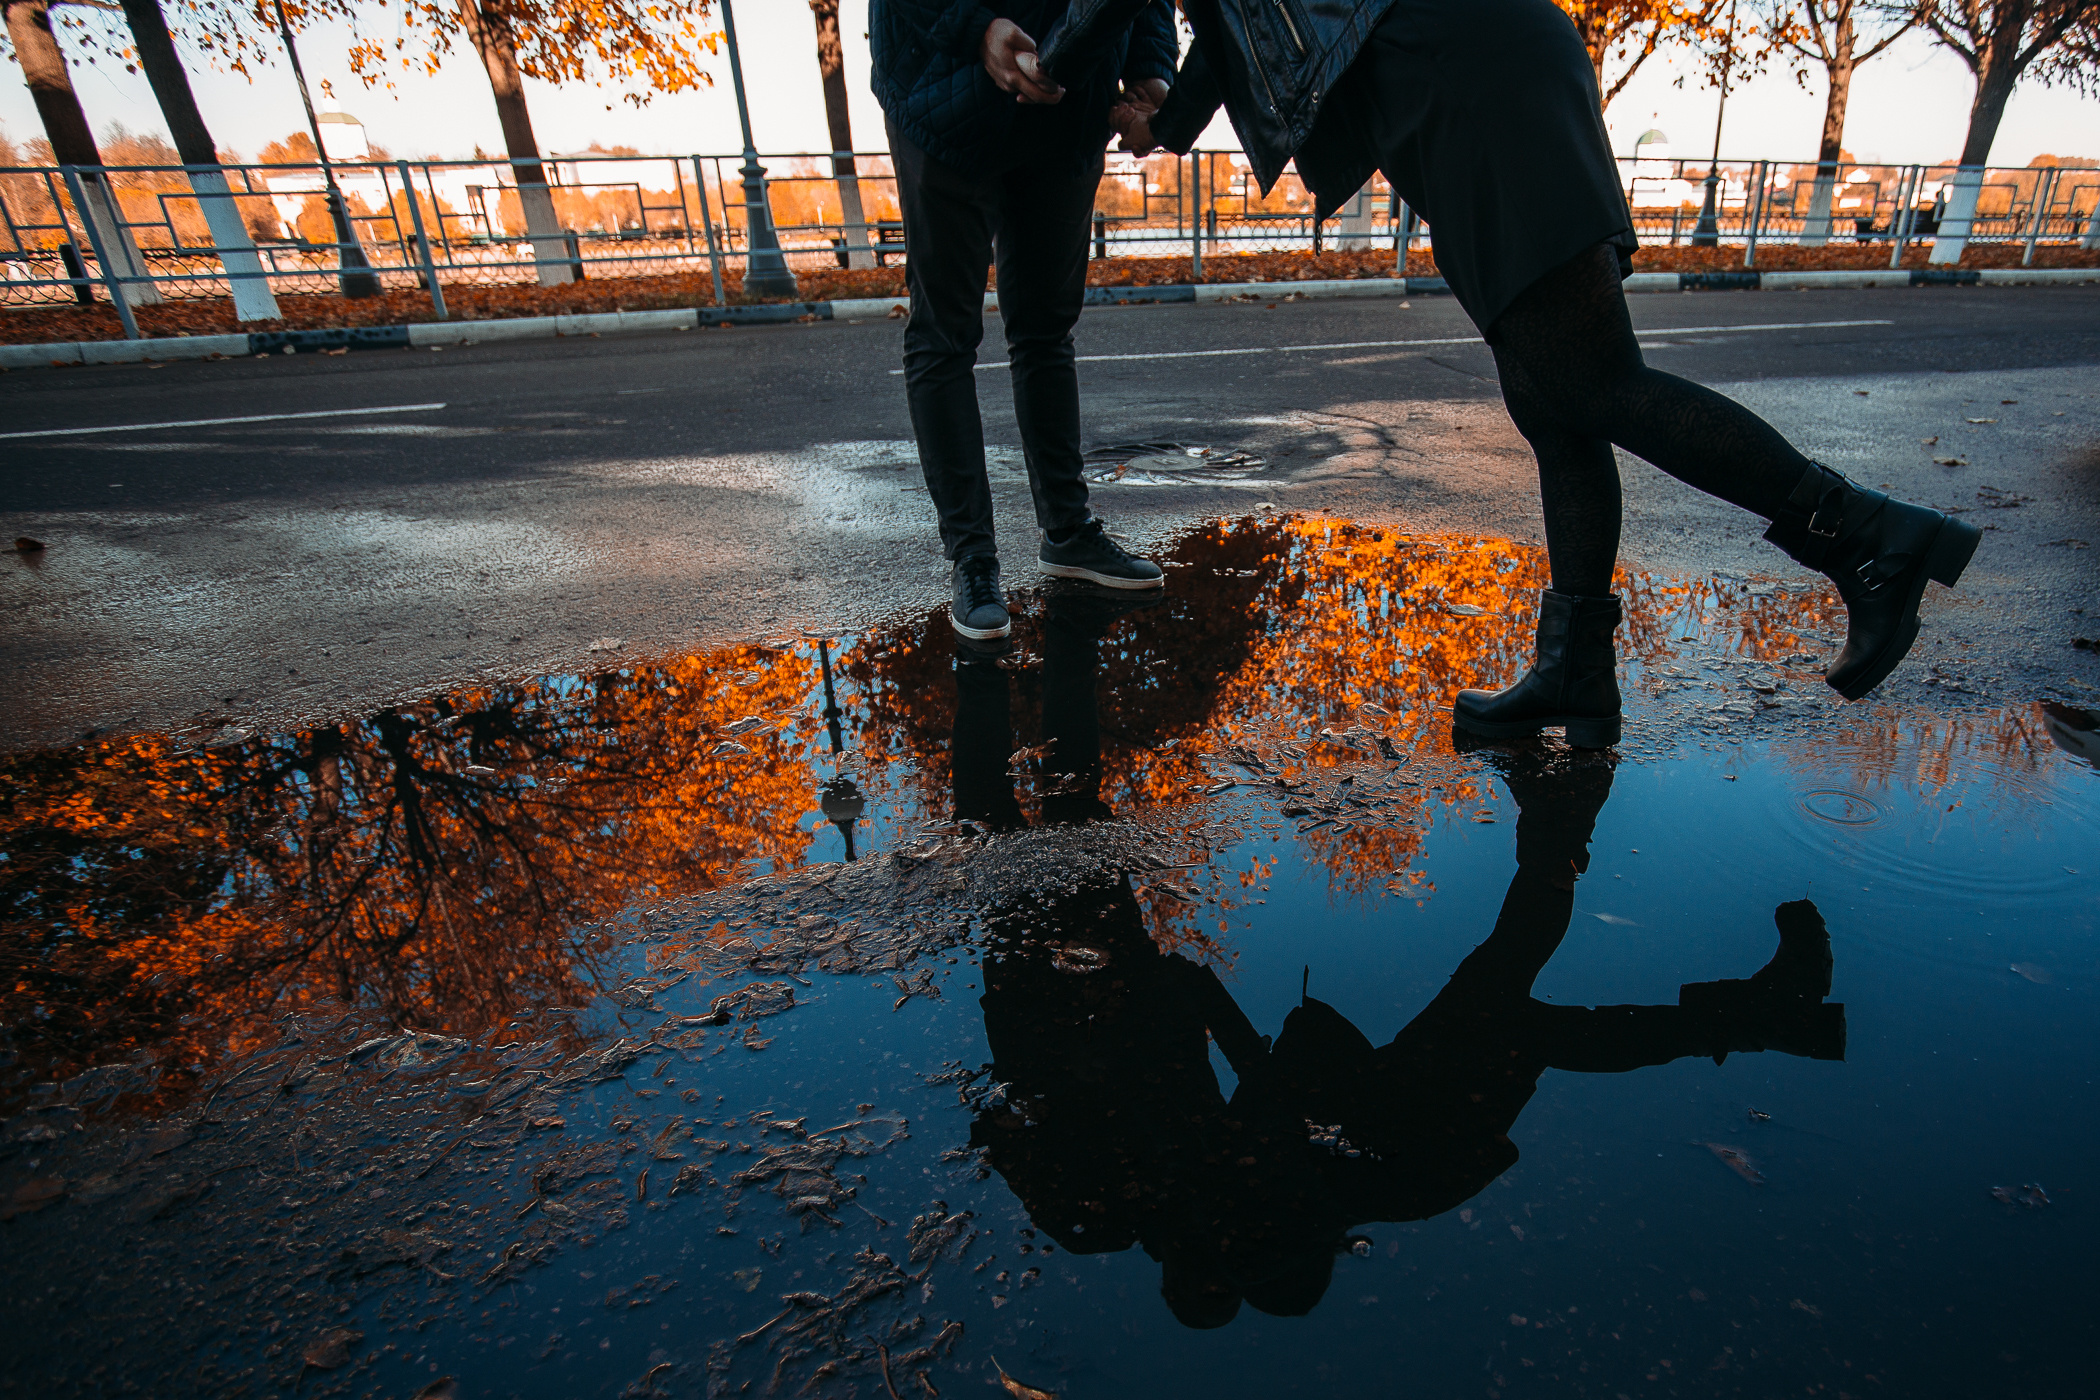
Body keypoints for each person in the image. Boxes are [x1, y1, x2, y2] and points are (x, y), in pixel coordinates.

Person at [1055, 0, 1980, 744]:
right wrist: (1170, 123)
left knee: (1591, 381)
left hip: (1462, 72)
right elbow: (1233, 28)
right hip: (1454, 72)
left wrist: (1041, 66)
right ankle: (1575, 666)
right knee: (1547, 395)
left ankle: (1868, 539)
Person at [869, 0, 1175, 643]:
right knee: (945, 334)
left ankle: (1067, 532)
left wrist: (1150, 66)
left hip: (1072, 100)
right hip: (944, 88)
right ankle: (973, 560)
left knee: (1045, 327)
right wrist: (970, 26)